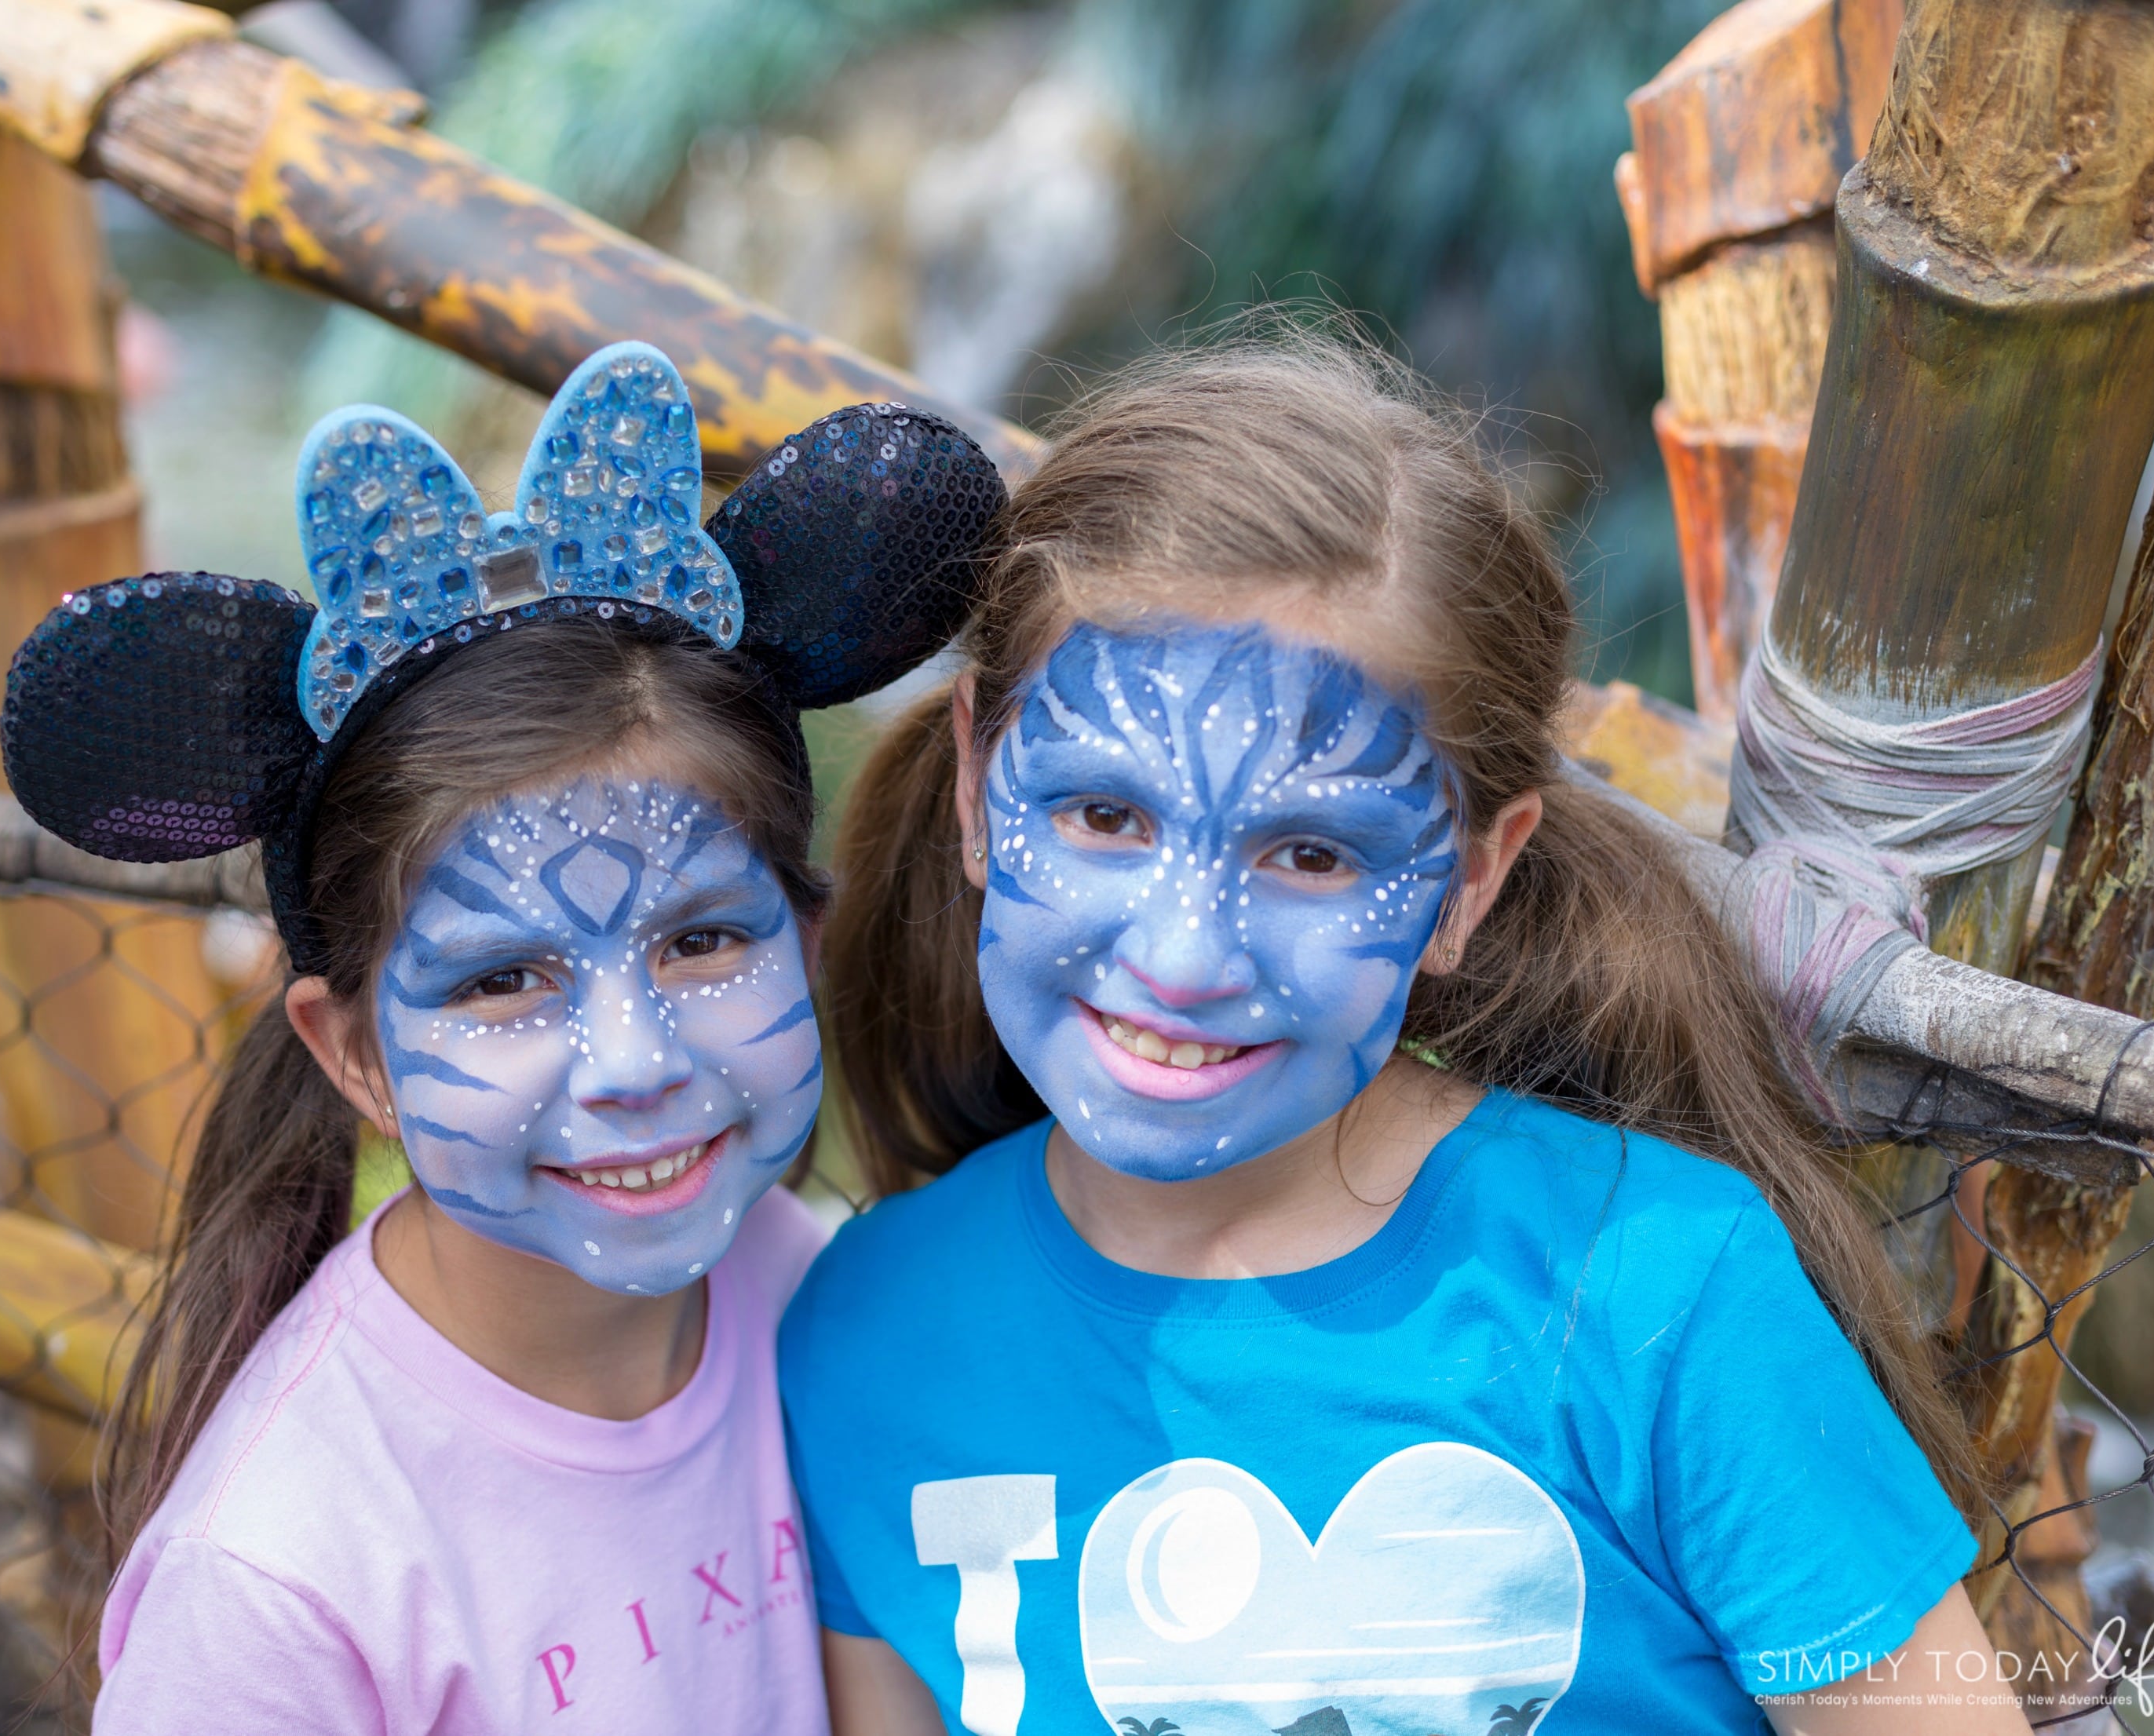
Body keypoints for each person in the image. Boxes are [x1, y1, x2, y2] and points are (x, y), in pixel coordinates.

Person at [783, 328, 2028, 1736]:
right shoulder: (859, 1336)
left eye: (1309, 854)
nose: (1184, 958)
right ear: (973, 783)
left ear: (1469, 880)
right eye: (1102, 817)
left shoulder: (1657, 1295)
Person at [0, 341, 1005, 1732]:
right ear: (352, 1055)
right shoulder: (274, 1594)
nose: (635, 1062)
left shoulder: (807, 1294)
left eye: (703, 941)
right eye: (501, 982)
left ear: (806, 942)